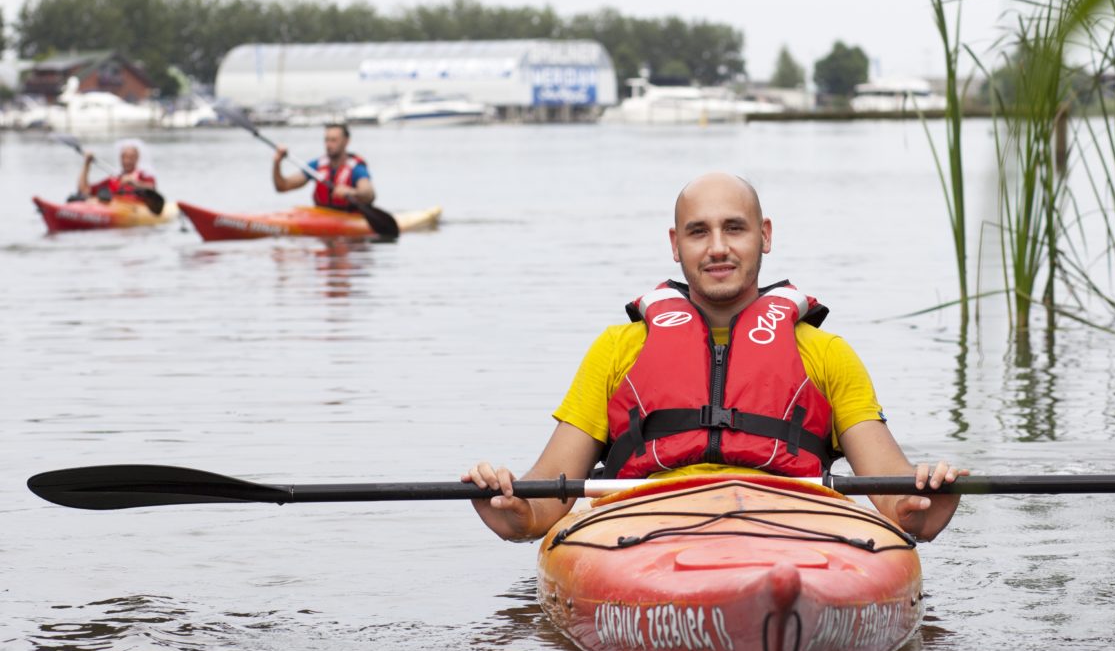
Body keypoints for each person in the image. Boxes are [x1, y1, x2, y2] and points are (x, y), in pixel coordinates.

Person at [465, 171, 964, 545]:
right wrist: (511, 506)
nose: (718, 248)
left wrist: (927, 501)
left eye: (735, 228)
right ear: (675, 244)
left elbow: (898, 506)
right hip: (644, 530)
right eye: (698, 231)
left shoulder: (827, 354)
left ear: (764, 236)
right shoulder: (617, 350)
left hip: (792, 529)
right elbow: (543, 504)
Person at [271, 123, 374, 210]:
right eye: (326, 140)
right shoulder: (317, 165)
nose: (328, 145)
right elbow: (282, 186)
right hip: (322, 215)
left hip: (348, 216)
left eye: (334, 140)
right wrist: (277, 163)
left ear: (346, 141)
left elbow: (369, 194)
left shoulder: (356, 168)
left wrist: (352, 192)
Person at [77, 138, 155, 201]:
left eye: (131, 157)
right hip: (115, 208)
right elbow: (84, 190)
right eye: (124, 157)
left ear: (137, 158)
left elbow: (152, 189)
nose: (127, 161)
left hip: (135, 208)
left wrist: (134, 183)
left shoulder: (143, 176)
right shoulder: (113, 179)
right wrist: (86, 164)